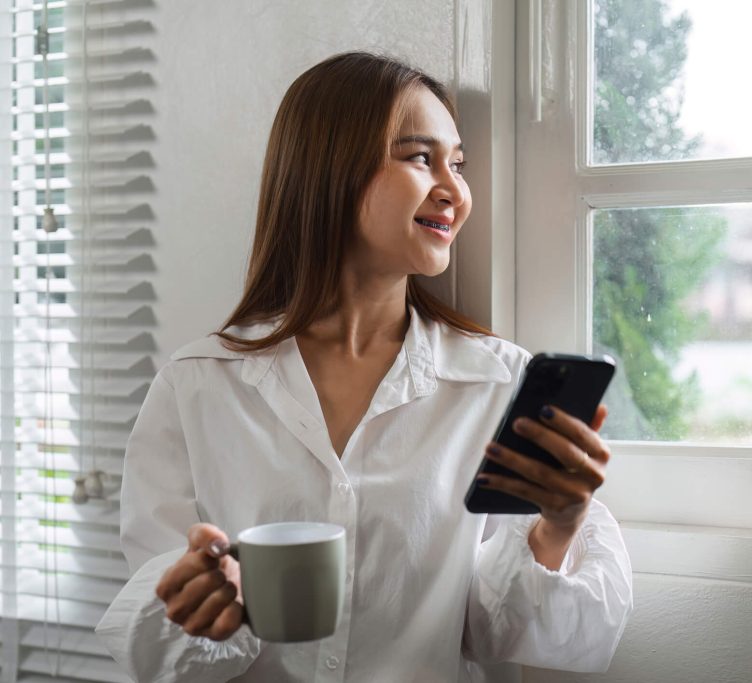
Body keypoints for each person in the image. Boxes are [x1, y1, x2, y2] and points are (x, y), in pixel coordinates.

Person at [96, 51, 633, 682]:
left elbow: (510, 632)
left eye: (457, 163)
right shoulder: (195, 387)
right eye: (419, 157)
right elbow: (153, 631)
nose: (454, 190)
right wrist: (195, 607)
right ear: (329, 170)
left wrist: (558, 525)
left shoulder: (495, 386)